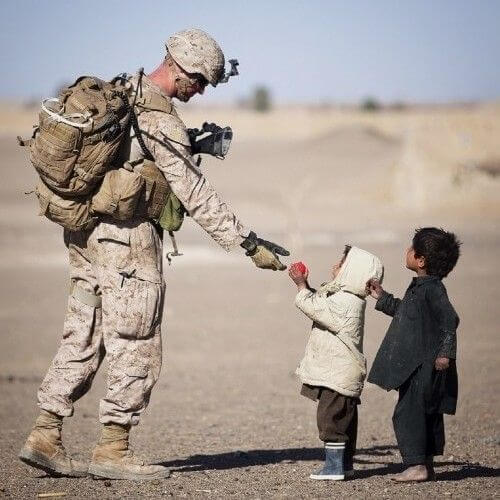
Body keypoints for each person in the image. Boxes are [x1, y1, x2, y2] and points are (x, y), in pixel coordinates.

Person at [19, 28, 289, 481]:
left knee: (84, 331)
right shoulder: (159, 118)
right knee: (137, 340)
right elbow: (196, 193)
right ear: (179, 68)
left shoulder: (125, 92)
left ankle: (45, 434)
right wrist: (247, 242)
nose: (200, 91)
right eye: (200, 81)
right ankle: (113, 448)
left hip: (86, 236)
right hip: (127, 242)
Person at [367, 227, 461, 482]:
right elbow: (406, 313)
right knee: (424, 411)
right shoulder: (421, 287)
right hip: (417, 364)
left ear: (420, 260)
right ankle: (425, 465)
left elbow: (449, 320)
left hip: (425, 366)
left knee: (409, 413)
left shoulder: (432, 290)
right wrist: (382, 297)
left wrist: (445, 354)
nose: (406, 251)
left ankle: (416, 465)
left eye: (411, 248)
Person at [288, 246, 384, 480]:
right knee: (344, 421)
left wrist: (301, 286)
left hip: (339, 374)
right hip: (340, 372)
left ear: (353, 272)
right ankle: (345, 465)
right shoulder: (344, 297)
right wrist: (306, 285)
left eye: (341, 264)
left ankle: (333, 468)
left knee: (331, 419)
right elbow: (320, 301)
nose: (335, 267)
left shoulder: (347, 302)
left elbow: (315, 307)